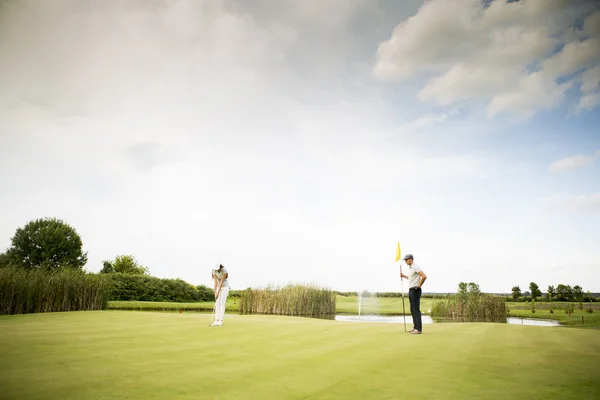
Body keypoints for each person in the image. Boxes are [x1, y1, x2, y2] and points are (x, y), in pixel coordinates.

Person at [400, 254, 427, 334]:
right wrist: (403, 276)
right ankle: (415, 327)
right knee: (412, 310)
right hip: (411, 290)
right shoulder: (411, 268)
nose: (405, 261)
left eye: (406, 260)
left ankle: (418, 329)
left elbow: (424, 276)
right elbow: (410, 278)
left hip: (415, 289)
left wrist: (419, 286)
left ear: (411, 259)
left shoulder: (415, 266)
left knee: (416, 310)